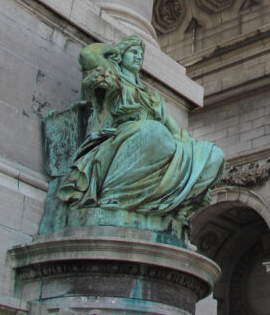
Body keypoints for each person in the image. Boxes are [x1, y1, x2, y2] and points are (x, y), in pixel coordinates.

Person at [59, 35, 225, 225]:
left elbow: (173, 129)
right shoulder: (113, 79)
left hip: (155, 140)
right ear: (121, 55)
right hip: (121, 137)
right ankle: (115, 194)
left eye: (141, 54)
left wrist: (193, 147)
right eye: (133, 52)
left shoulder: (152, 96)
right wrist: (113, 51)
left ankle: (168, 202)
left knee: (213, 155)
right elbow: (87, 55)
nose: (138, 57)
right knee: (154, 131)